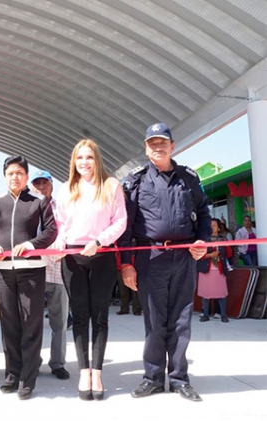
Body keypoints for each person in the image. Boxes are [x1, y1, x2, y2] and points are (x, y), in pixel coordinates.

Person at [120, 123, 211, 402]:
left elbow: (204, 215)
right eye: (152, 143)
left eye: (162, 142)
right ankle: (152, 378)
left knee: (182, 320)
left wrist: (202, 242)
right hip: (151, 257)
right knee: (155, 321)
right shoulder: (135, 182)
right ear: (146, 148)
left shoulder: (188, 178)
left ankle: (180, 379)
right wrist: (127, 263)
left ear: (173, 146)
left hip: (184, 257)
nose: (157, 147)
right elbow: (125, 227)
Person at [53, 140, 127, 401]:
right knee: (80, 316)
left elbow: (120, 221)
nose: (84, 162)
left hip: (101, 255)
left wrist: (100, 241)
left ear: (97, 159)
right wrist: (60, 242)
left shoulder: (111, 186)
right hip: (73, 258)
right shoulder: (66, 189)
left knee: (100, 317)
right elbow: (60, 223)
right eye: (79, 158)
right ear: (74, 161)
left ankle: (97, 371)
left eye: (89, 157)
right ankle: (84, 370)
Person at [0, 156, 57, 400]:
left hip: (31, 270)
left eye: (19, 173)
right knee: (10, 324)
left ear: (26, 177)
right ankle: (12, 374)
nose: (15, 176)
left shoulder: (39, 202)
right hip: (2, 271)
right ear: (5, 176)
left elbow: (51, 230)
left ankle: (28, 377)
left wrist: (32, 244)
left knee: (31, 323)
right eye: (11, 173)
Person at [29, 170, 70, 381]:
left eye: (45, 183)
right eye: (37, 184)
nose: (41, 187)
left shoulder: (61, 207)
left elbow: (68, 229)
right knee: (32, 323)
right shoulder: (27, 207)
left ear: (52, 186)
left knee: (59, 322)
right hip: (32, 271)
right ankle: (32, 362)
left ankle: (57, 363)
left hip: (57, 271)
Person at [197, 219, 231, 323]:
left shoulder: (223, 239)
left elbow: (229, 254)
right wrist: (211, 255)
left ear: (219, 228)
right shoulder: (203, 240)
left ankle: (223, 315)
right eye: (210, 225)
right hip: (205, 269)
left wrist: (224, 247)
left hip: (219, 270)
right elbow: (197, 254)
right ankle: (206, 315)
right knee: (205, 293)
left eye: (214, 225)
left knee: (221, 293)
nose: (212, 227)